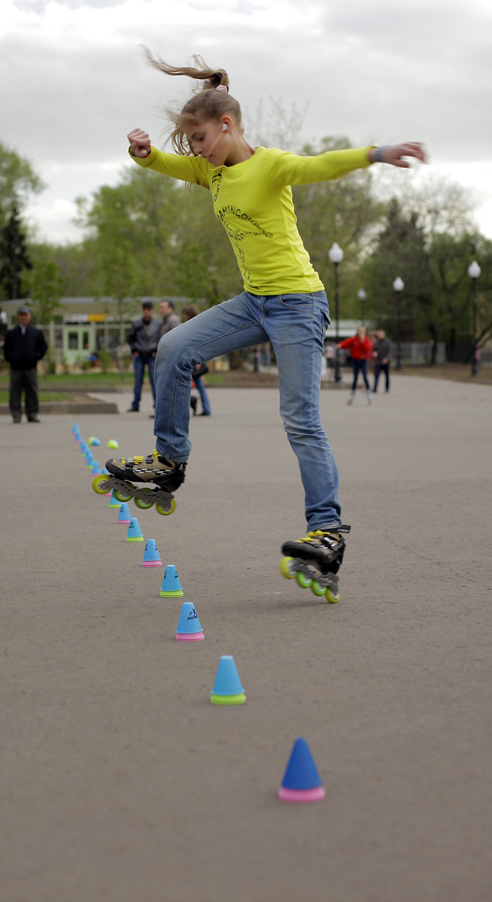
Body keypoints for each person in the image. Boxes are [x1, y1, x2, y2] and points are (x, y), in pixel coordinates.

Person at [105, 52, 426, 589]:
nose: (197, 151)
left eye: (201, 139)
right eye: (192, 144)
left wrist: (376, 153)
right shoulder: (211, 172)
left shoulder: (271, 165)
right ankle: (169, 461)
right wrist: (144, 155)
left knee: (300, 419)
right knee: (174, 348)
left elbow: (320, 165)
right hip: (254, 301)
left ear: (226, 125)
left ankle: (327, 531)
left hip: (298, 303)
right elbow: (167, 164)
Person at [3, 305, 48, 424]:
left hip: (30, 368)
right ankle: (16, 414)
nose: (23, 317)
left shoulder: (36, 332)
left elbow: (43, 347)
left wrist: (35, 357)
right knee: (15, 392)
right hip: (16, 368)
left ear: (29, 316)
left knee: (32, 391)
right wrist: (12, 358)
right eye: (21, 315)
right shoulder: (12, 333)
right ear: (18, 316)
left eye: (25, 315)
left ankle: (32, 413)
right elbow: (6, 349)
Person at [127, 300, 159, 413]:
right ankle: (135, 404)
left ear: (152, 310)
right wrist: (134, 350)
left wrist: (156, 350)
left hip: (152, 355)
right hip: (139, 355)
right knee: (138, 382)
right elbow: (130, 338)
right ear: (142, 310)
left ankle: (157, 405)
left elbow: (160, 338)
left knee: (154, 381)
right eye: (144, 309)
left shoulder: (157, 324)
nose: (146, 311)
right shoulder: (137, 324)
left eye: (148, 309)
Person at [182, 304, 211, 416]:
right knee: (199, 386)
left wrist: (199, 361)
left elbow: (197, 343)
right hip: (194, 358)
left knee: (195, 386)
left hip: (195, 359)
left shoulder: (194, 325)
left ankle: (205, 408)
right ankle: (206, 408)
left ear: (188, 314)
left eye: (184, 314)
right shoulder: (197, 324)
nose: (183, 316)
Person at [339, 325, 373, 404]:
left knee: (365, 376)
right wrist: (340, 345)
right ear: (357, 331)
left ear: (364, 332)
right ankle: (352, 394)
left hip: (363, 360)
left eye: (362, 331)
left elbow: (367, 348)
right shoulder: (354, 339)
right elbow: (347, 343)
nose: (361, 332)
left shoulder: (366, 340)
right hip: (355, 360)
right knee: (355, 378)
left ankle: (368, 392)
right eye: (360, 331)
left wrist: (362, 341)